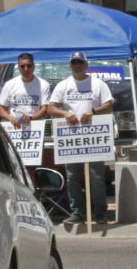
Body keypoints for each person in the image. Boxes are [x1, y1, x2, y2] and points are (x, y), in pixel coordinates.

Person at [48, 51, 113, 224]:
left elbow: (108, 106)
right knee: (72, 177)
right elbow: (51, 108)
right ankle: (77, 211)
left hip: (93, 137)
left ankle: (100, 212)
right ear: (70, 65)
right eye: (74, 63)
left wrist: (92, 111)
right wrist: (65, 113)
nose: (77, 66)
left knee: (96, 177)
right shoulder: (63, 85)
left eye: (80, 63)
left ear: (86, 65)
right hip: (71, 138)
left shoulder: (98, 84)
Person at [0, 53, 51, 127]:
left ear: (33, 67)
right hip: (13, 127)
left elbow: (44, 109)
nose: (26, 69)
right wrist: (10, 118)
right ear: (18, 68)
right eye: (22, 66)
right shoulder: (9, 84)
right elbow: (1, 110)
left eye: (29, 66)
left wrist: (30, 118)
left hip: (34, 126)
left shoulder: (43, 85)